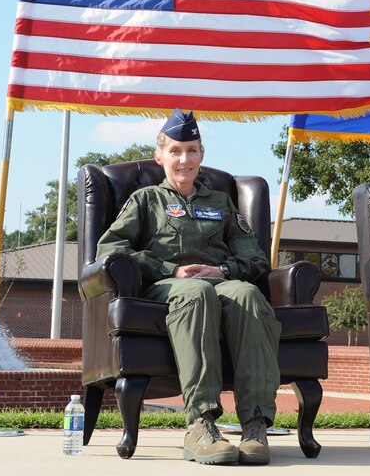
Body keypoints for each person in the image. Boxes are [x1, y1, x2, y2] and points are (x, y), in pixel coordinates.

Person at [96, 109, 281, 466]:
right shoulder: (146, 200)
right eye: (176, 151)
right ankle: (201, 424)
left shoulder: (221, 202)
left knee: (248, 294)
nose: (185, 159)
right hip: (166, 287)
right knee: (196, 293)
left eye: (192, 150)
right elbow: (110, 249)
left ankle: (255, 425)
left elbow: (255, 258)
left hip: (220, 283)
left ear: (201, 155)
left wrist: (222, 269)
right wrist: (169, 269)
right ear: (160, 156)